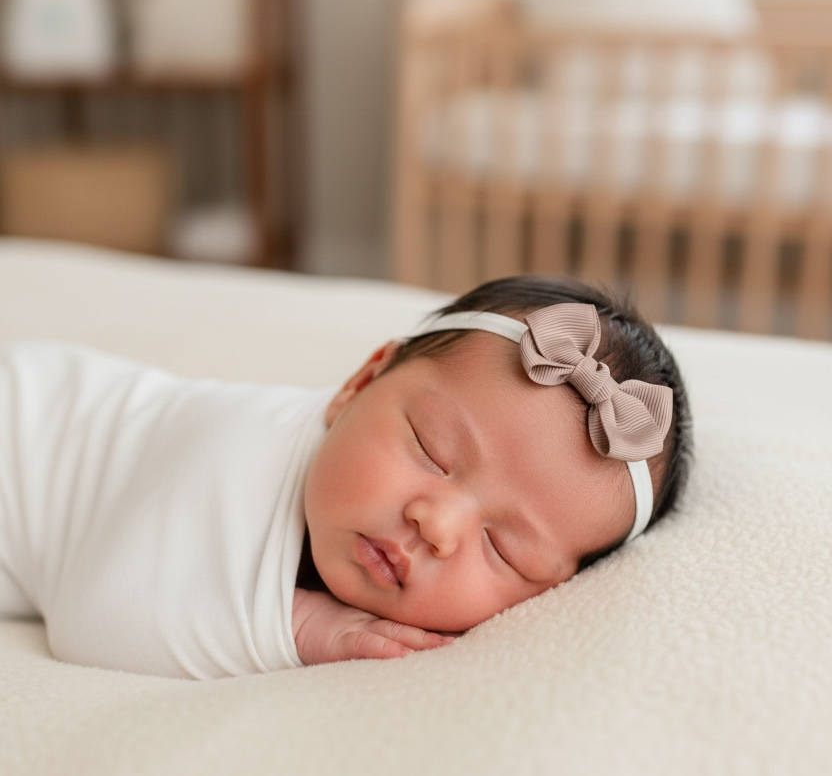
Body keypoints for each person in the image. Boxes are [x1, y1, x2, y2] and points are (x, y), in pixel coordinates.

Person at [0, 275, 692, 677]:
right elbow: (94, 616)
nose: (438, 524)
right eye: (430, 449)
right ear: (357, 385)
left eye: (503, 548)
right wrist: (300, 627)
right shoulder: (235, 450)